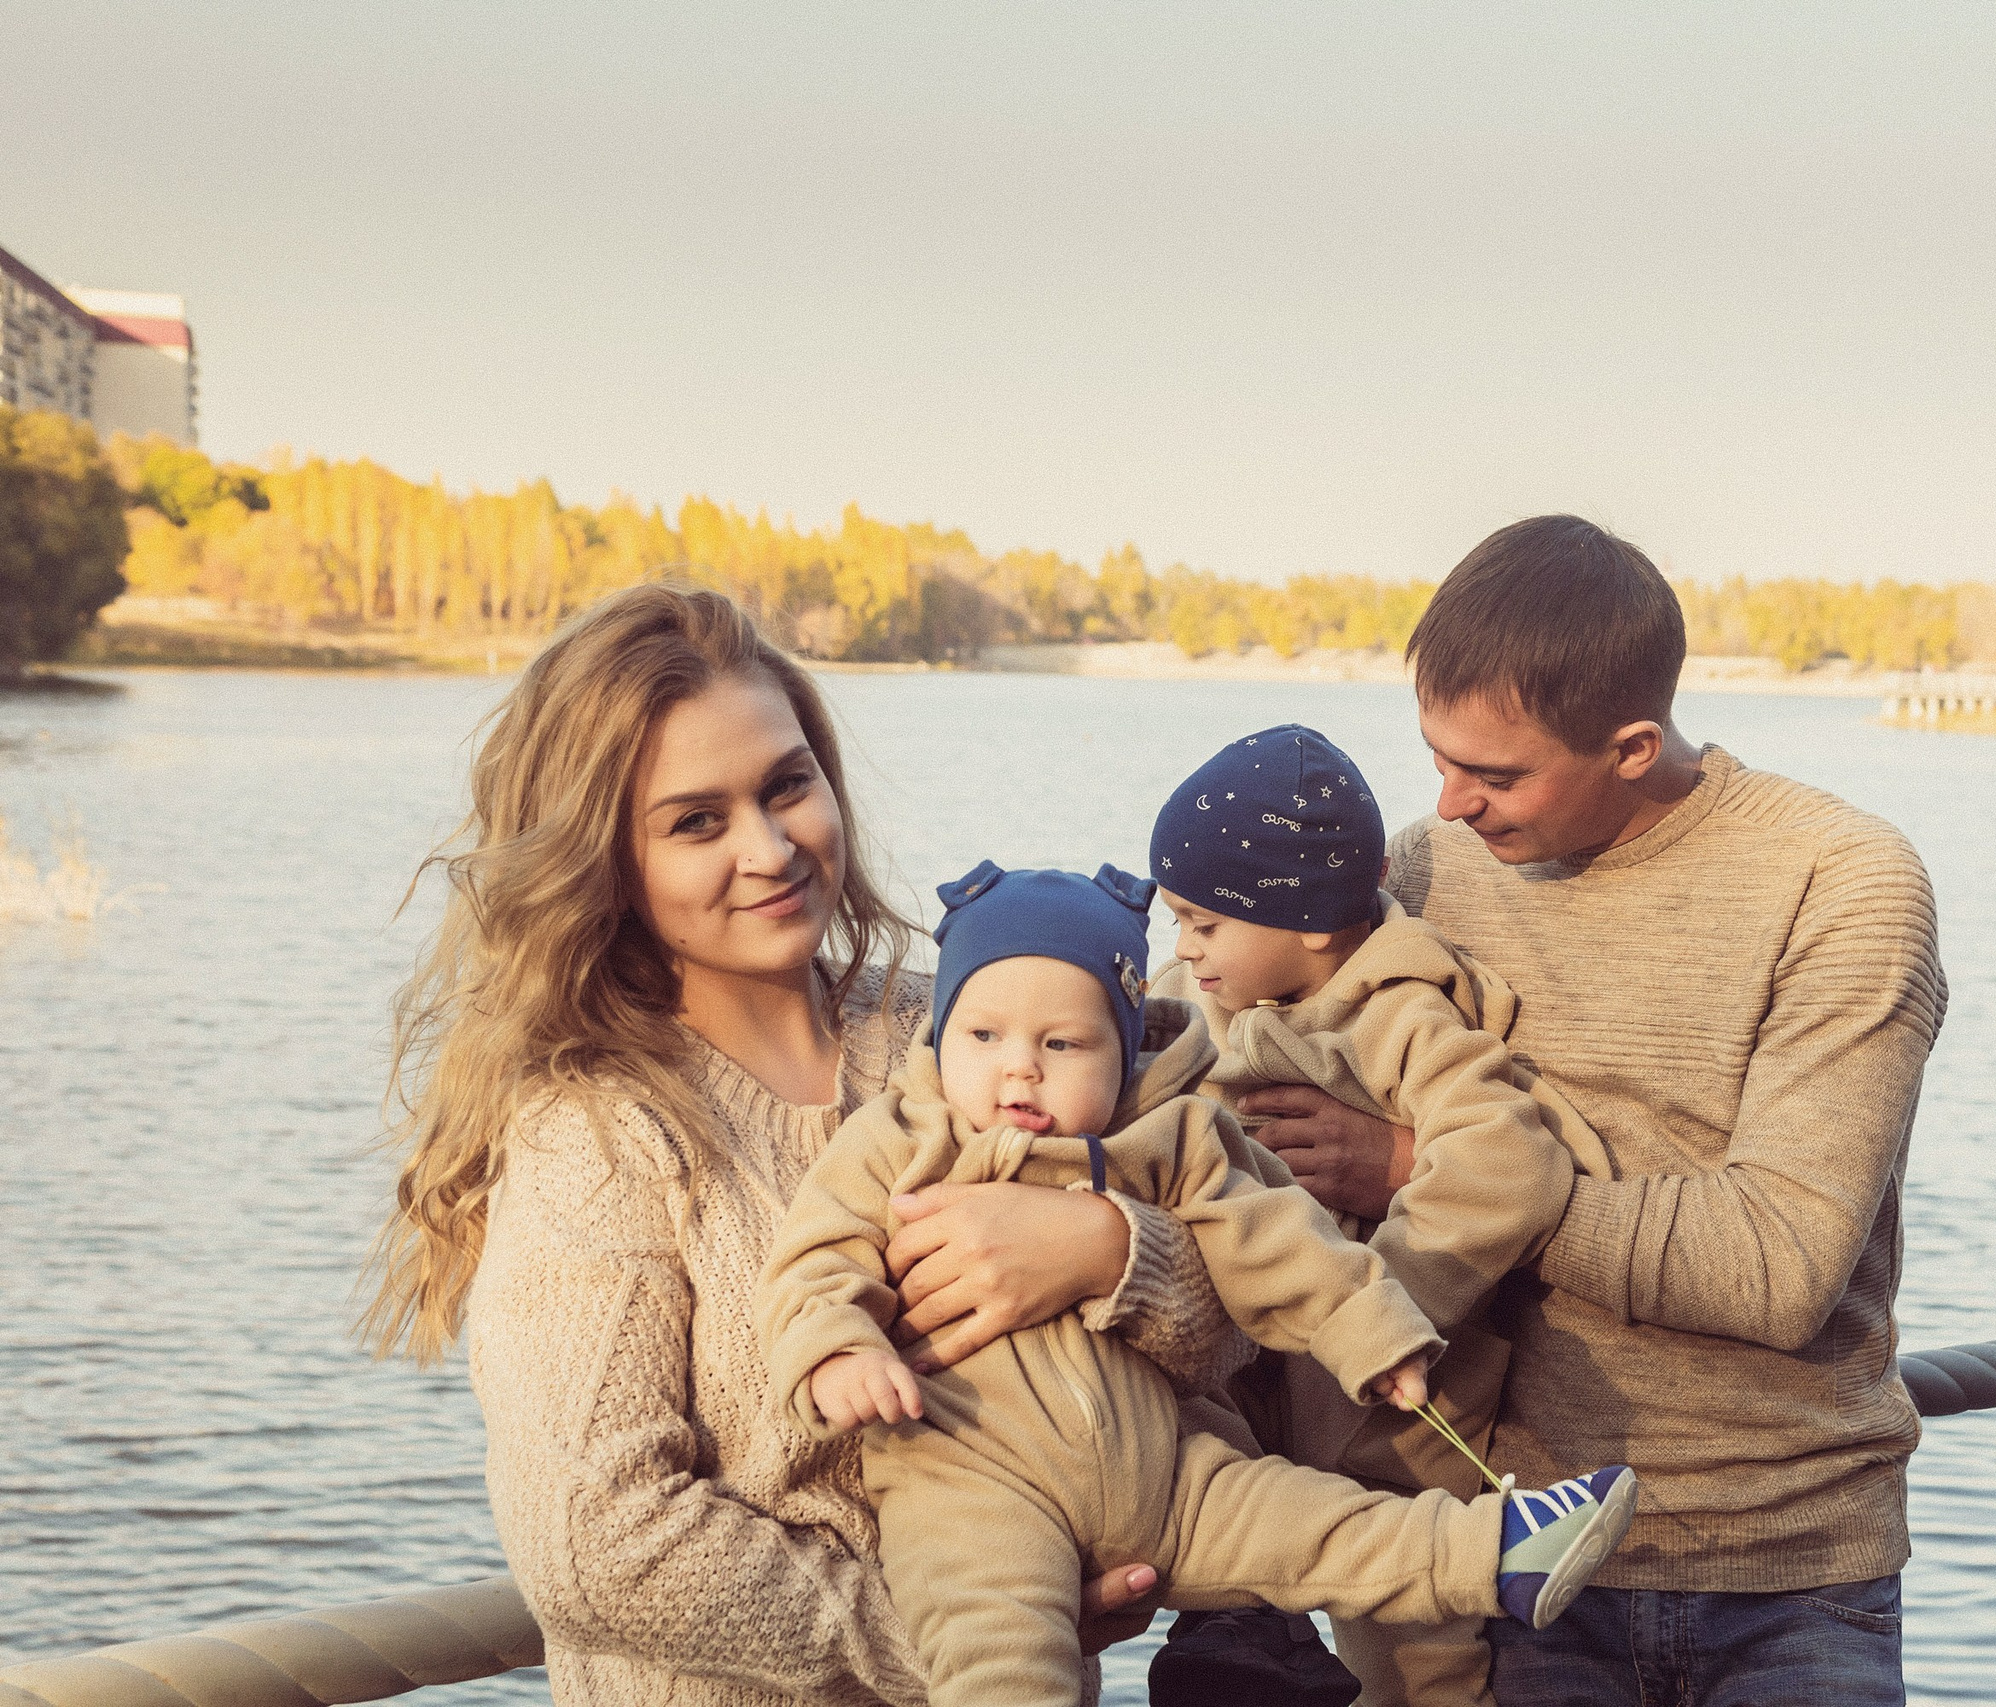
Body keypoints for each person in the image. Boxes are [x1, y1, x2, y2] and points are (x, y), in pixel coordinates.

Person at [364, 584, 1252, 1707]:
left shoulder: (972, 1032)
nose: (771, 847)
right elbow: (599, 1546)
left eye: (789, 786)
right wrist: (982, 1626)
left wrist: (1110, 1252)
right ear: (606, 860)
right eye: (697, 821)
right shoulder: (596, 1133)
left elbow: (1250, 1326)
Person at [1242, 516, 1948, 1706]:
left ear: (1631, 746)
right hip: (1510, 1561)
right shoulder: (1421, 870)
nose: (1452, 805)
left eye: (1497, 775)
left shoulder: (1841, 882)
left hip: (1788, 1573)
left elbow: (1779, 1265)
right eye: (1436, 757)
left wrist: (1422, 1169)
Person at [757, 860, 1640, 1707]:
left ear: (1126, 1047)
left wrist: (1374, 1335)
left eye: (1063, 1043)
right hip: (971, 1480)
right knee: (1000, 1663)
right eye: (982, 1036)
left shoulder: (1172, 1139)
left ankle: (1506, 1548)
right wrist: (838, 1351)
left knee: (1327, 1527)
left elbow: (1280, 1240)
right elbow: (817, 1259)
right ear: (941, 1032)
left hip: (1171, 1471)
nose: (1019, 1068)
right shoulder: (895, 1140)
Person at [1147, 724, 1614, 1707]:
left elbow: (1509, 1166)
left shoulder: (1398, 1013)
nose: (1182, 946)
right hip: (1250, 1392)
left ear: (1312, 924)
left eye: (1204, 922)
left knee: (1418, 1657)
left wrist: (1373, 1310)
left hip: (1397, 1412)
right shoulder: (1196, 997)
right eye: (1172, 919)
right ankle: (1240, 1629)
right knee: (1203, 1534)